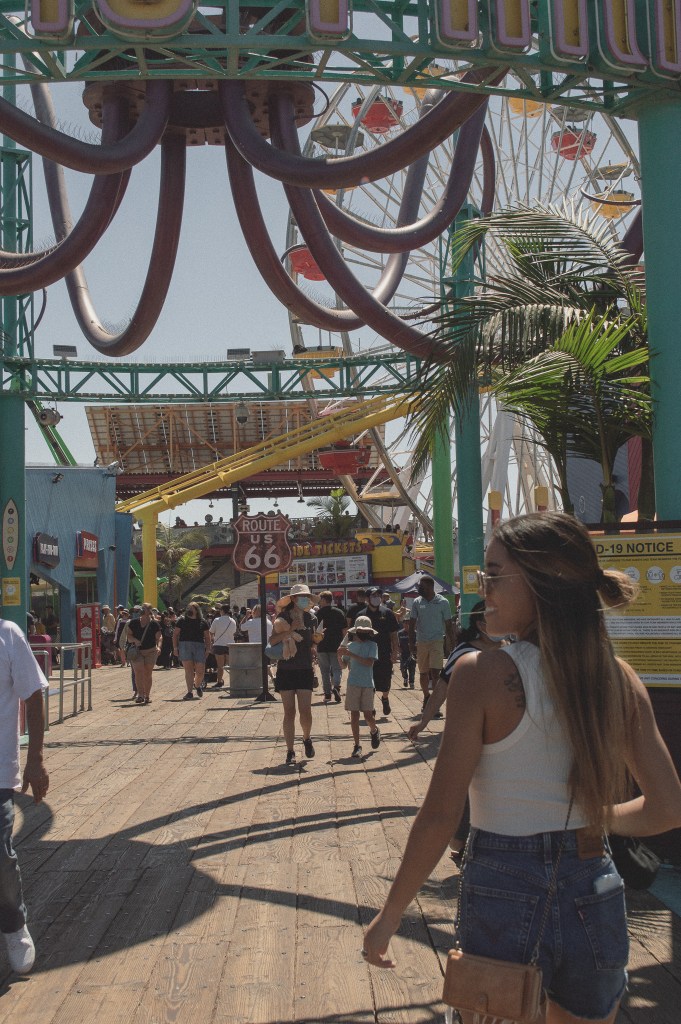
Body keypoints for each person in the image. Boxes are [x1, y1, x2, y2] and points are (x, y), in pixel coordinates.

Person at [363, 512, 681, 1024]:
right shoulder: (619, 678)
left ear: (540, 582)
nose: (482, 588)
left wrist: (390, 913)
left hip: (502, 885)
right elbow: (668, 808)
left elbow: (441, 814)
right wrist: (598, 816)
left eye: (493, 574)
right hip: (593, 885)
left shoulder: (481, 674)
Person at [0, 616, 49, 975]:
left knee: (0, 855)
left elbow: (33, 699)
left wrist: (35, 761)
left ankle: (14, 925)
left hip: (0, 771)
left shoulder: (8, 634)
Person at [271, 584, 319, 766]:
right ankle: (290, 750)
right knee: (289, 712)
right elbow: (272, 641)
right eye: (300, 596)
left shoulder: (312, 618)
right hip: (286, 669)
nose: (304, 599)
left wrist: (315, 644)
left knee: (305, 710)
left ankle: (307, 738)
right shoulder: (281, 617)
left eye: (306, 596)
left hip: (305, 667)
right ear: (292, 599)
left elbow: (313, 642)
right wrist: (291, 629)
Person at [407, 575, 456, 712]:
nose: (419, 588)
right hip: (422, 641)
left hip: (437, 641)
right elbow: (411, 625)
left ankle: (435, 704)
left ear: (430, 587)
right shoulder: (417, 602)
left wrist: (452, 645)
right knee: (423, 673)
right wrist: (411, 644)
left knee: (436, 673)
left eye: (421, 586)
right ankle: (426, 696)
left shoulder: (443, 602)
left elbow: (448, 624)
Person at [339, 615, 380, 758]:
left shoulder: (372, 646)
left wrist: (350, 654)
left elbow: (369, 662)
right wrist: (340, 655)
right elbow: (343, 665)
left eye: (365, 631)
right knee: (354, 715)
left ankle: (374, 730)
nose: (362, 634)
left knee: (368, 715)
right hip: (353, 684)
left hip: (367, 684)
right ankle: (357, 744)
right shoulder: (350, 646)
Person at [364, 587, 399, 716]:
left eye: (378, 595)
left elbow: (394, 634)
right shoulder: (362, 615)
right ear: (367, 599)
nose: (376, 597)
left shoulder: (388, 613)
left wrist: (395, 651)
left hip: (384, 653)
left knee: (385, 680)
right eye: (373, 595)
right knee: (369, 681)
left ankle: (385, 698)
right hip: (367, 655)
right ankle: (371, 706)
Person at [173, 602, 212, 699]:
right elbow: (175, 635)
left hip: (199, 646)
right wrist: (175, 648)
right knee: (188, 670)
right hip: (184, 645)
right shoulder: (181, 620)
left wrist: (208, 648)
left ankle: (197, 685)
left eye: (191, 608)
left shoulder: (203, 622)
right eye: (188, 608)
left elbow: (207, 637)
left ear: (196, 610)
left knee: (200, 670)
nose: (189, 610)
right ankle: (189, 692)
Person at [125, 603, 162, 705]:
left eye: (144, 608)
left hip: (150, 651)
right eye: (142, 607)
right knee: (138, 672)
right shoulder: (133, 622)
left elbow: (159, 637)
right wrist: (135, 640)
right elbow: (128, 636)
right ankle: (140, 695)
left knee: (147, 673)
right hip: (137, 651)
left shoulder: (154, 624)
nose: (142, 609)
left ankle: (147, 696)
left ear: (149, 611)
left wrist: (159, 646)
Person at [315, 590, 346, 703]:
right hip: (336, 645)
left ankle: (327, 694)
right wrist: (344, 644)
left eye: (320, 600)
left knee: (324, 671)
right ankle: (336, 687)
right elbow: (344, 630)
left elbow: (315, 632)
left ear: (323, 600)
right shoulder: (339, 612)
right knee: (337, 668)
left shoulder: (318, 614)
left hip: (322, 646)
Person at [209, 604, 237, 688]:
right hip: (230, 645)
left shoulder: (217, 620)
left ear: (222, 611)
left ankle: (219, 681)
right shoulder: (233, 621)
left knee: (220, 666)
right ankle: (234, 681)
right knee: (231, 665)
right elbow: (234, 632)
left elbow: (211, 632)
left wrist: (212, 641)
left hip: (219, 645)